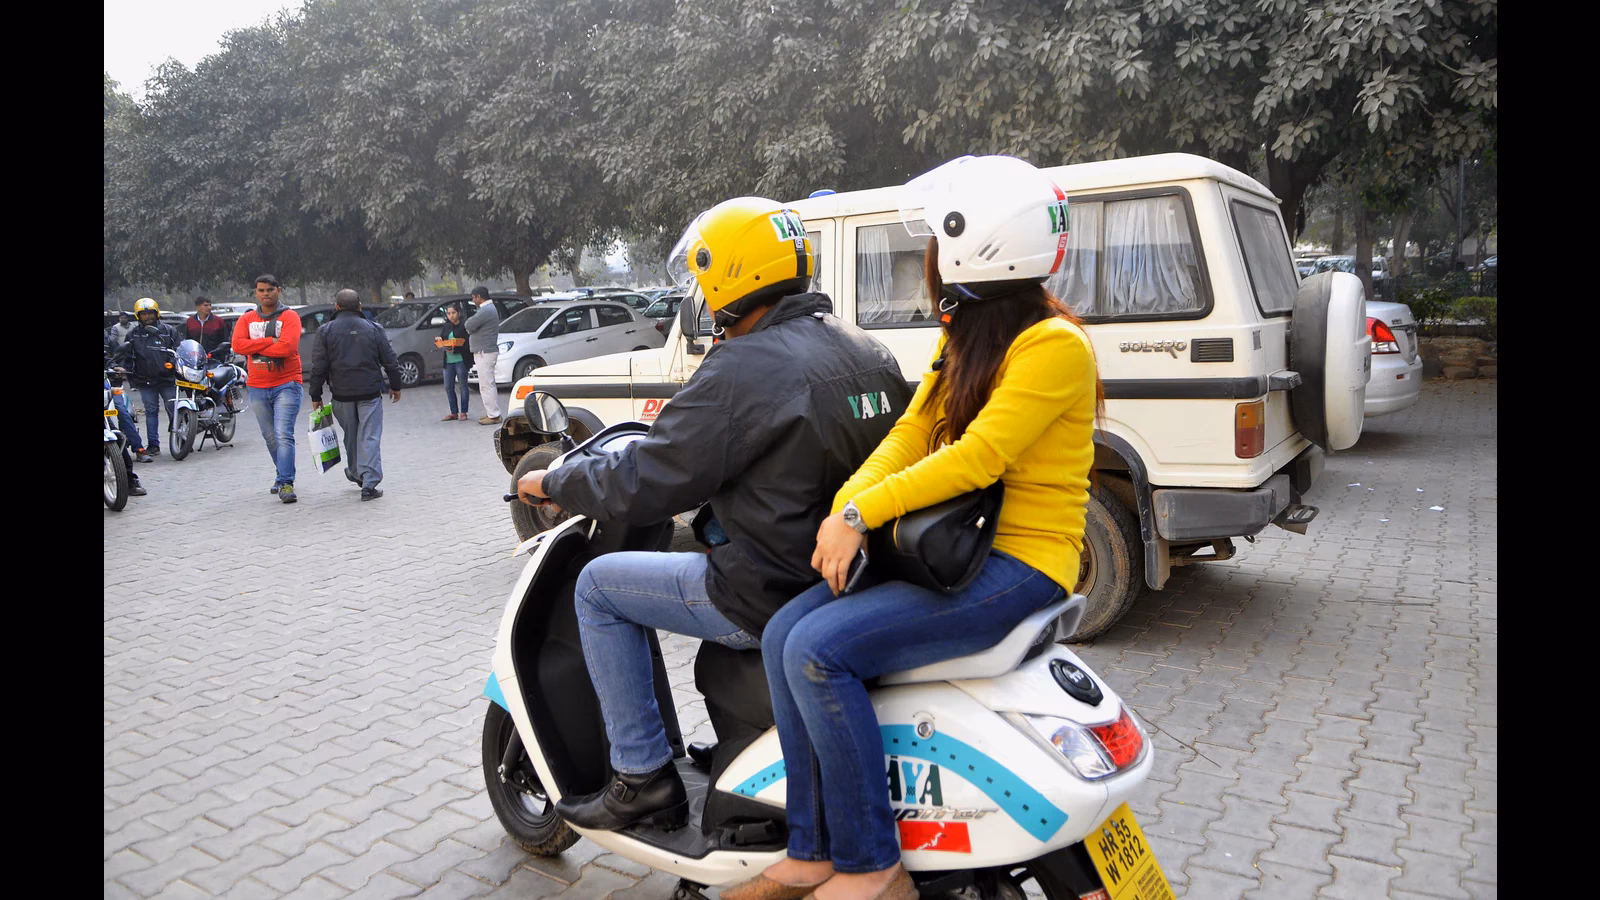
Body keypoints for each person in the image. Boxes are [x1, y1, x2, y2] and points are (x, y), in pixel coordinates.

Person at [731, 156, 1104, 900]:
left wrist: (863, 513)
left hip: (1022, 566)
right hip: (963, 559)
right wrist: (845, 507)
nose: (929, 256)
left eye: (938, 237)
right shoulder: (969, 334)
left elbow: (976, 456)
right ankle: (810, 850)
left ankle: (874, 867)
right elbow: (909, 433)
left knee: (816, 651)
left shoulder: (1054, 346)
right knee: (782, 635)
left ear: (976, 244)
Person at [515, 196, 911, 832]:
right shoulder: (867, 349)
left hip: (769, 588)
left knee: (598, 588)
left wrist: (555, 479)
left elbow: (648, 476)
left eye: (703, 277)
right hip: (849, 581)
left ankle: (642, 775)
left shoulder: (744, 367)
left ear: (732, 277)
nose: (699, 293)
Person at [307, 289, 404, 500]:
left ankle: (356, 472)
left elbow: (319, 367)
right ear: (360, 306)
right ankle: (369, 484)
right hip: (370, 392)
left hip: (341, 395)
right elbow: (390, 360)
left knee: (351, 436)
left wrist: (315, 395)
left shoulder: (325, 331)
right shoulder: (374, 328)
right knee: (369, 436)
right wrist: (395, 385)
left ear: (336, 307)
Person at [232, 274, 304, 503]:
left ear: (278, 290)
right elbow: (237, 345)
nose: (265, 294)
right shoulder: (246, 319)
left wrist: (254, 349)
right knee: (270, 437)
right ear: (256, 293)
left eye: (270, 290)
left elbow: (288, 348)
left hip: (287, 383)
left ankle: (285, 482)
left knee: (283, 434)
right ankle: (282, 473)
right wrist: (270, 342)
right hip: (257, 386)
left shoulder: (290, 316)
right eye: (261, 290)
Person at [124, 298, 180, 457]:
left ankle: (181, 440)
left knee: (174, 410)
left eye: (150, 313)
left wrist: (173, 366)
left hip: (167, 379)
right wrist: (130, 376)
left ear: (157, 313)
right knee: (151, 411)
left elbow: (178, 351)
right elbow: (127, 357)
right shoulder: (133, 334)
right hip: (145, 381)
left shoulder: (169, 331)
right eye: (144, 314)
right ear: (138, 316)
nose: (147, 316)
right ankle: (153, 445)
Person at [464, 286, 502, 424]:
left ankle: (493, 415)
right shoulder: (488, 309)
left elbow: (469, 324)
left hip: (485, 352)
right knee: (487, 384)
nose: (473, 300)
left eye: (473, 297)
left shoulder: (486, 310)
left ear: (478, 297)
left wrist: (470, 327)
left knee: (486, 385)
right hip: (484, 351)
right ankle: (492, 413)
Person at [436, 304, 472, 421]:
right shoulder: (446, 327)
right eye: (449, 313)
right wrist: (440, 341)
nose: (451, 316)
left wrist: (455, 349)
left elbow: (467, 344)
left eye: (453, 313)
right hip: (448, 361)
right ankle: (453, 412)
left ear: (458, 313)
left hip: (460, 360)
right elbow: (443, 339)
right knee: (448, 387)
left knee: (463, 386)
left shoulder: (463, 326)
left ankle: (464, 412)